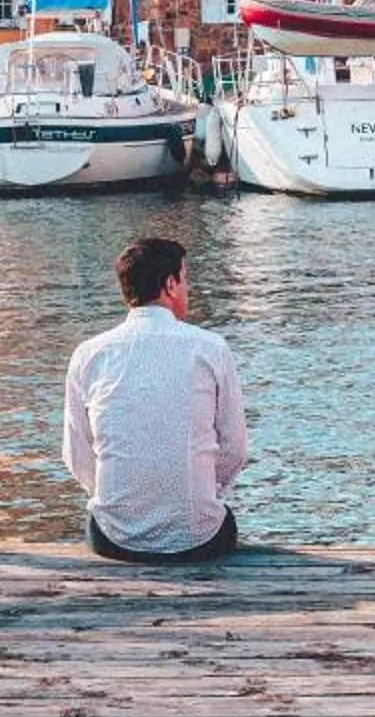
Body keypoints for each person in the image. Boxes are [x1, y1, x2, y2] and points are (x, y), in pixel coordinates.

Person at [63, 235, 248, 560]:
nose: (187, 289)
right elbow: (234, 449)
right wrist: (205, 490)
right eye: (186, 279)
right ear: (170, 284)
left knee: (97, 515)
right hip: (197, 538)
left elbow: (78, 455)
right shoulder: (211, 348)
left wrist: (116, 497)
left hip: (115, 539)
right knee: (221, 519)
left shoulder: (89, 354)